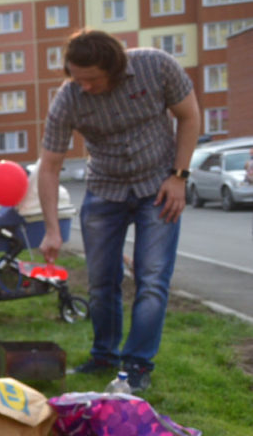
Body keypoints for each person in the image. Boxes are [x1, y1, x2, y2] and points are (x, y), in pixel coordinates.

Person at [36, 29, 198, 395]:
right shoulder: (69, 99)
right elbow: (49, 166)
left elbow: (189, 116)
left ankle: (137, 365)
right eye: (77, 78)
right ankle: (105, 355)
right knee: (100, 281)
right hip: (104, 190)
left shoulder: (156, 66)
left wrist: (179, 177)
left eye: (91, 79)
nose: (85, 86)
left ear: (114, 66)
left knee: (152, 278)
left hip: (157, 186)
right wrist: (51, 230)